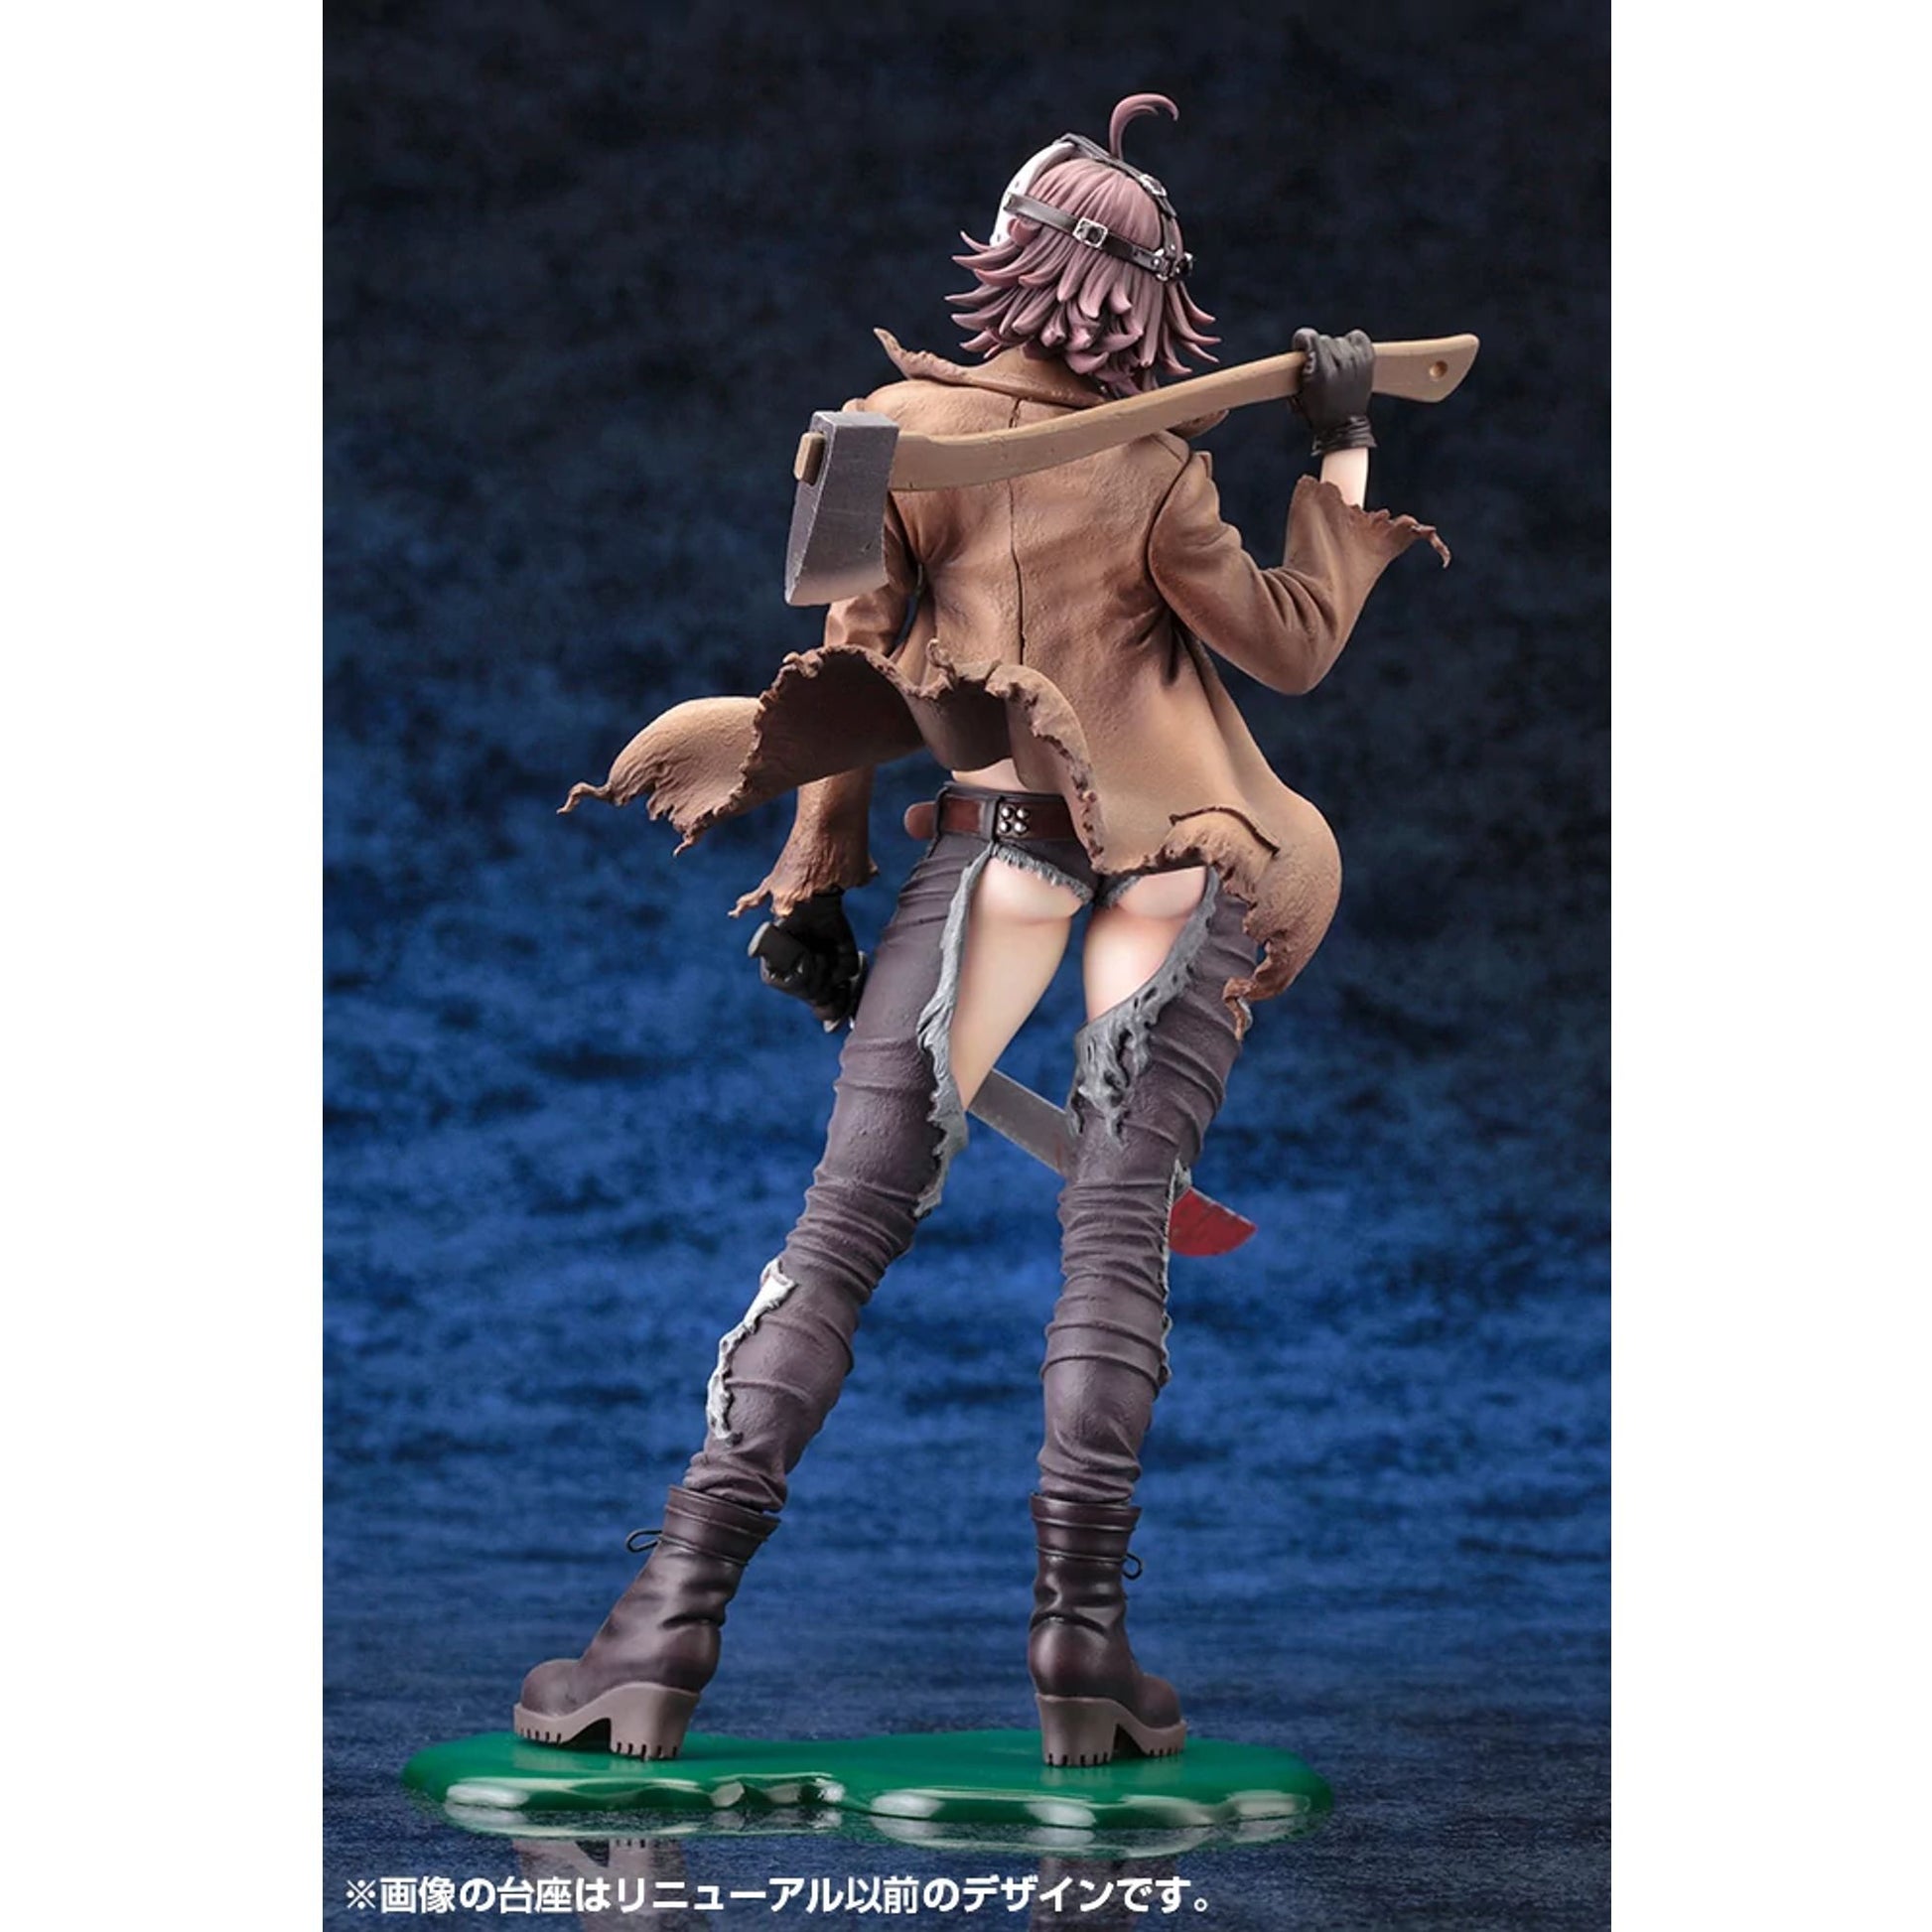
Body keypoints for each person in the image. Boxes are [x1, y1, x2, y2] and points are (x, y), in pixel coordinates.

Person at [514, 93, 1446, 1768]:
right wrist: (1343, 446)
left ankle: (657, 1629)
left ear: (1008, 258)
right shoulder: (1156, 472)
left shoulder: (890, 432)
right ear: (1154, 306)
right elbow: (1295, 646)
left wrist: (818, 871)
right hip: (1180, 864)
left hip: (997, 852)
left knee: (844, 1226)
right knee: (1116, 1237)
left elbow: (862, 666)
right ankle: (1080, 1645)